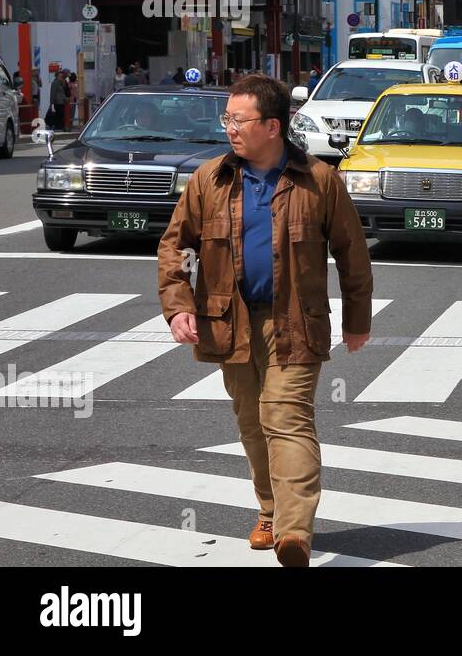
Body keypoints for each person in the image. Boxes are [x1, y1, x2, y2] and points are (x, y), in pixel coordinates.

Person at [158, 74, 373, 567]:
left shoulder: (319, 181)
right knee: (253, 423)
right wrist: (178, 306)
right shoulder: (210, 179)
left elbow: (352, 253)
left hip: (295, 322)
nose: (230, 127)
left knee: (287, 419)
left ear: (273, 126)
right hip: (227, 321)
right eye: (227, 119)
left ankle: (294, 533)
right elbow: (174, 244)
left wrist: (357, 318)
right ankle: (271, 511)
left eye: (240, 119)